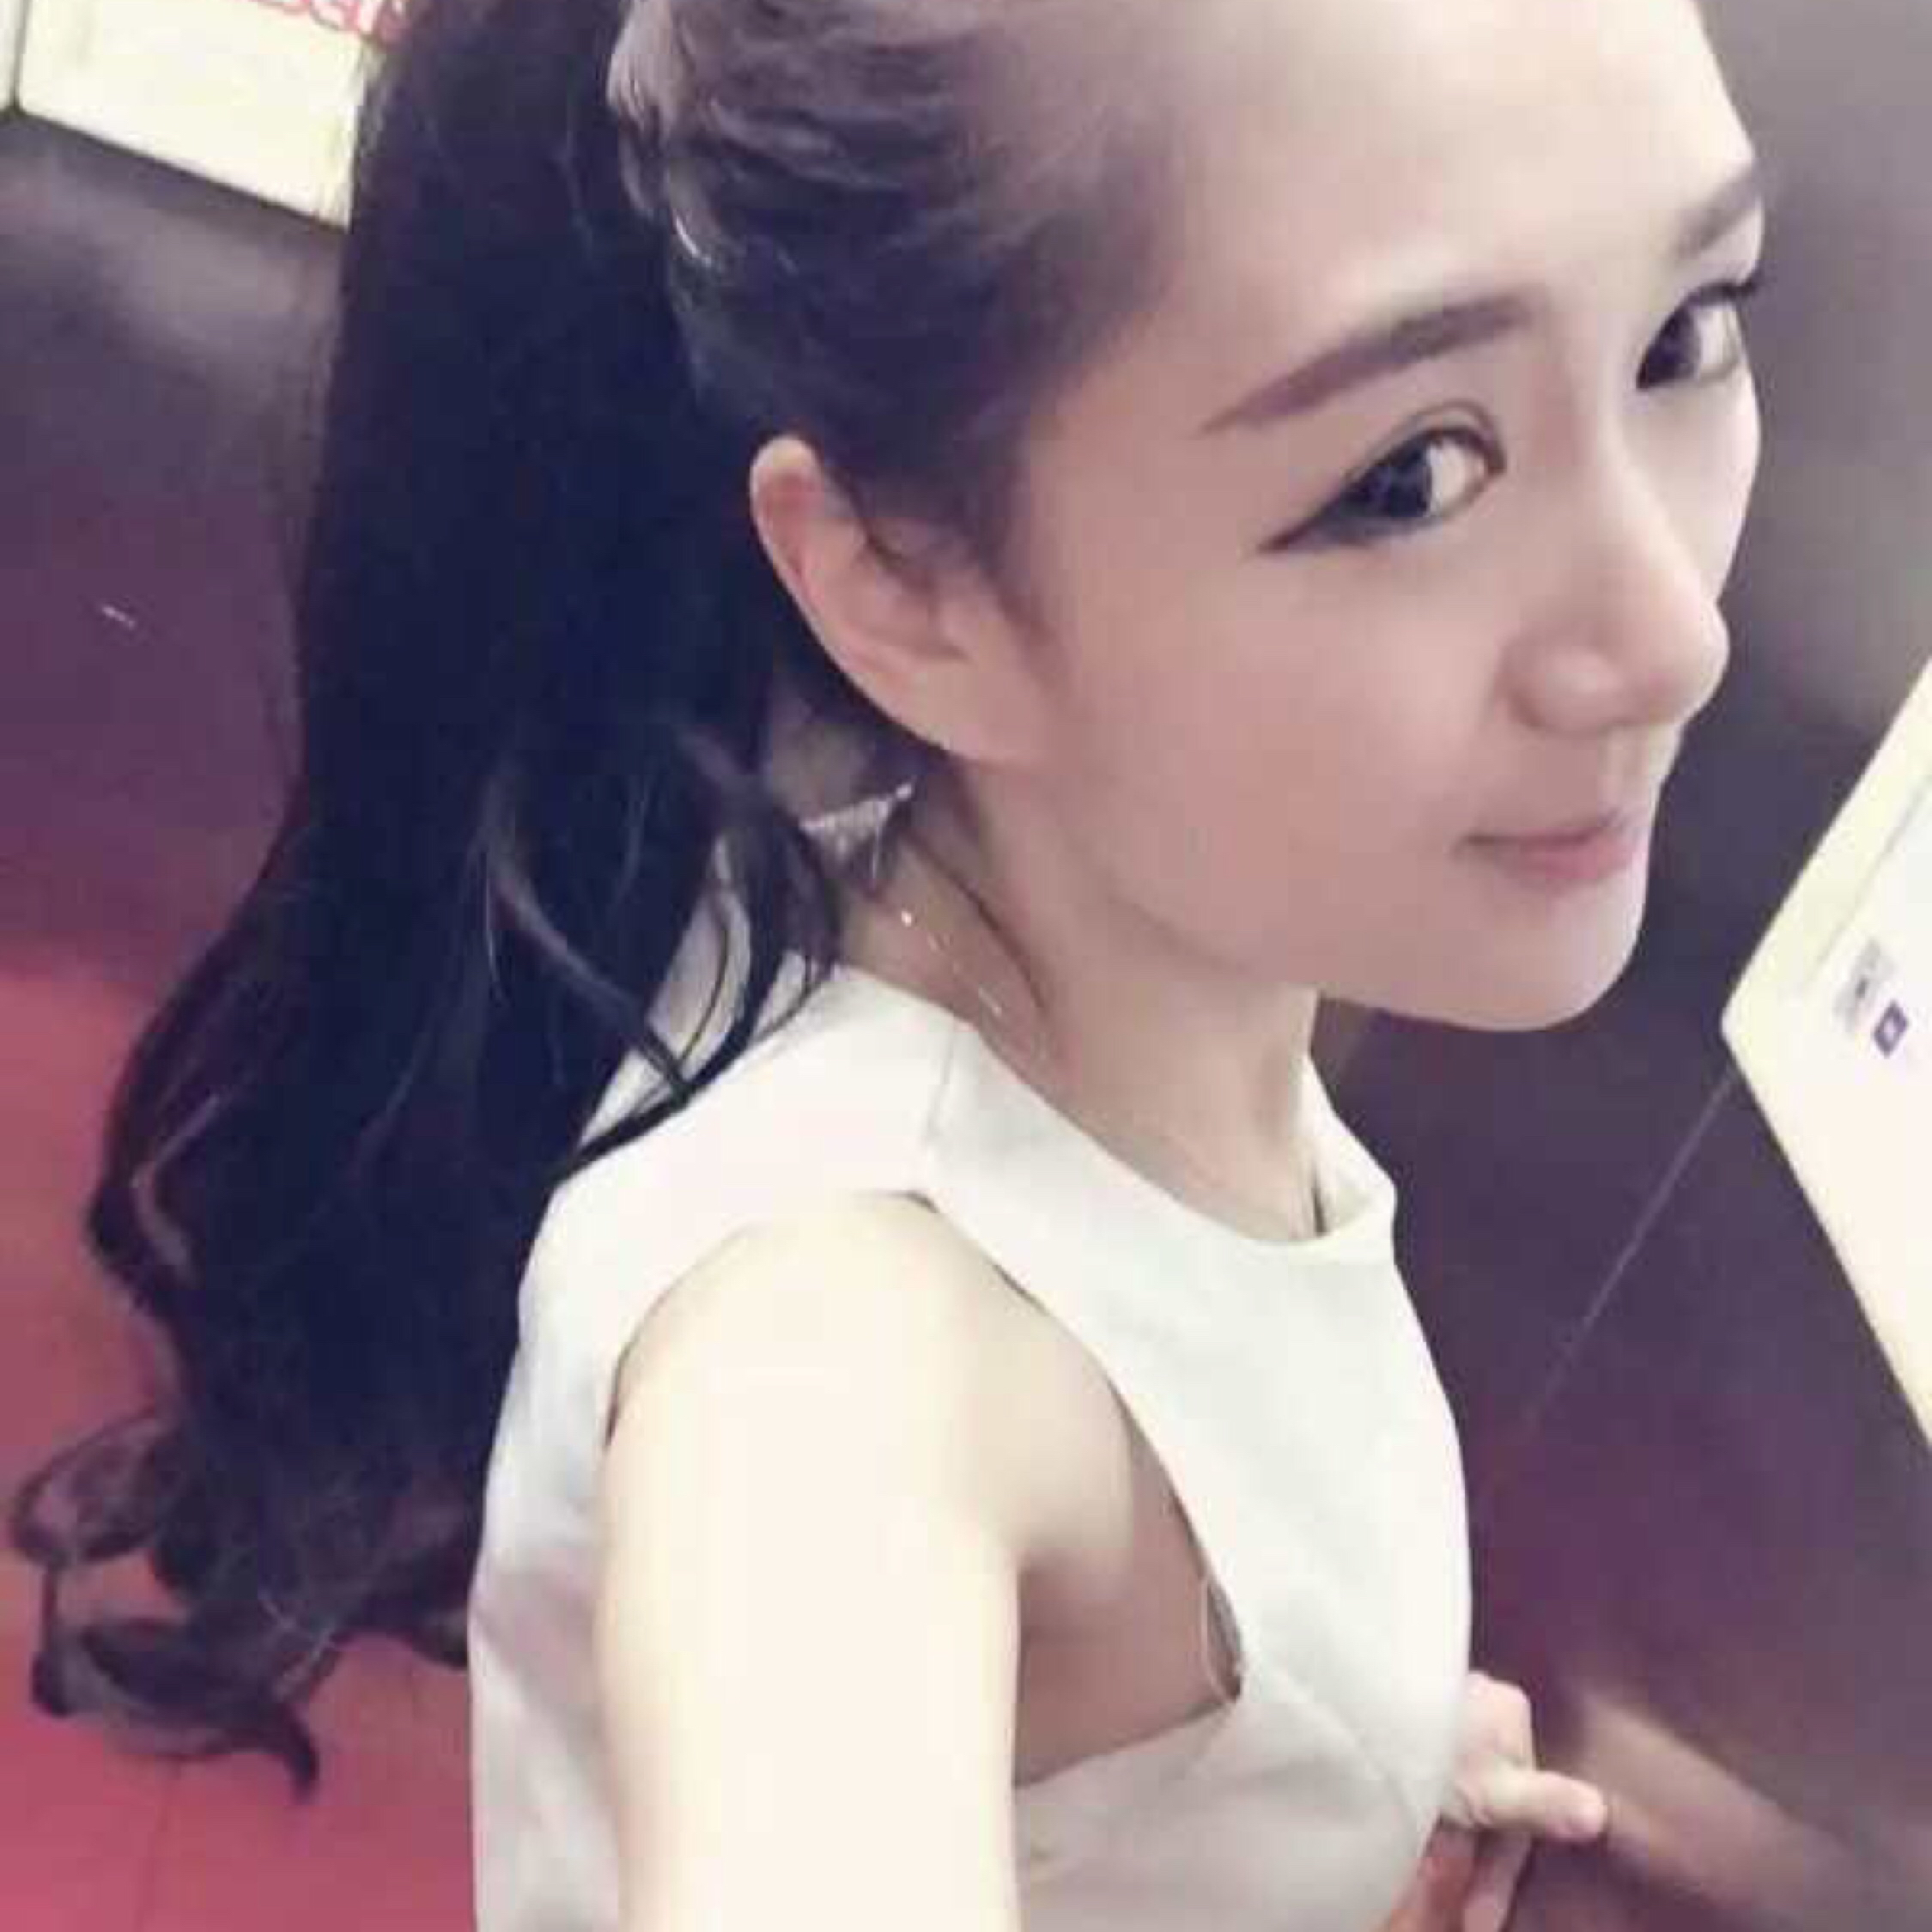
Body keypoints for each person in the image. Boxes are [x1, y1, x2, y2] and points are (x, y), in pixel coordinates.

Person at [9, 0, 1771, 1925]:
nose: (1670, 635)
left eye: (1685, 333)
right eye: (1411, 476)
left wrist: (1305, 1783)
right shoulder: (838, 1366)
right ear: (905, 591)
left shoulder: (1023, 881)